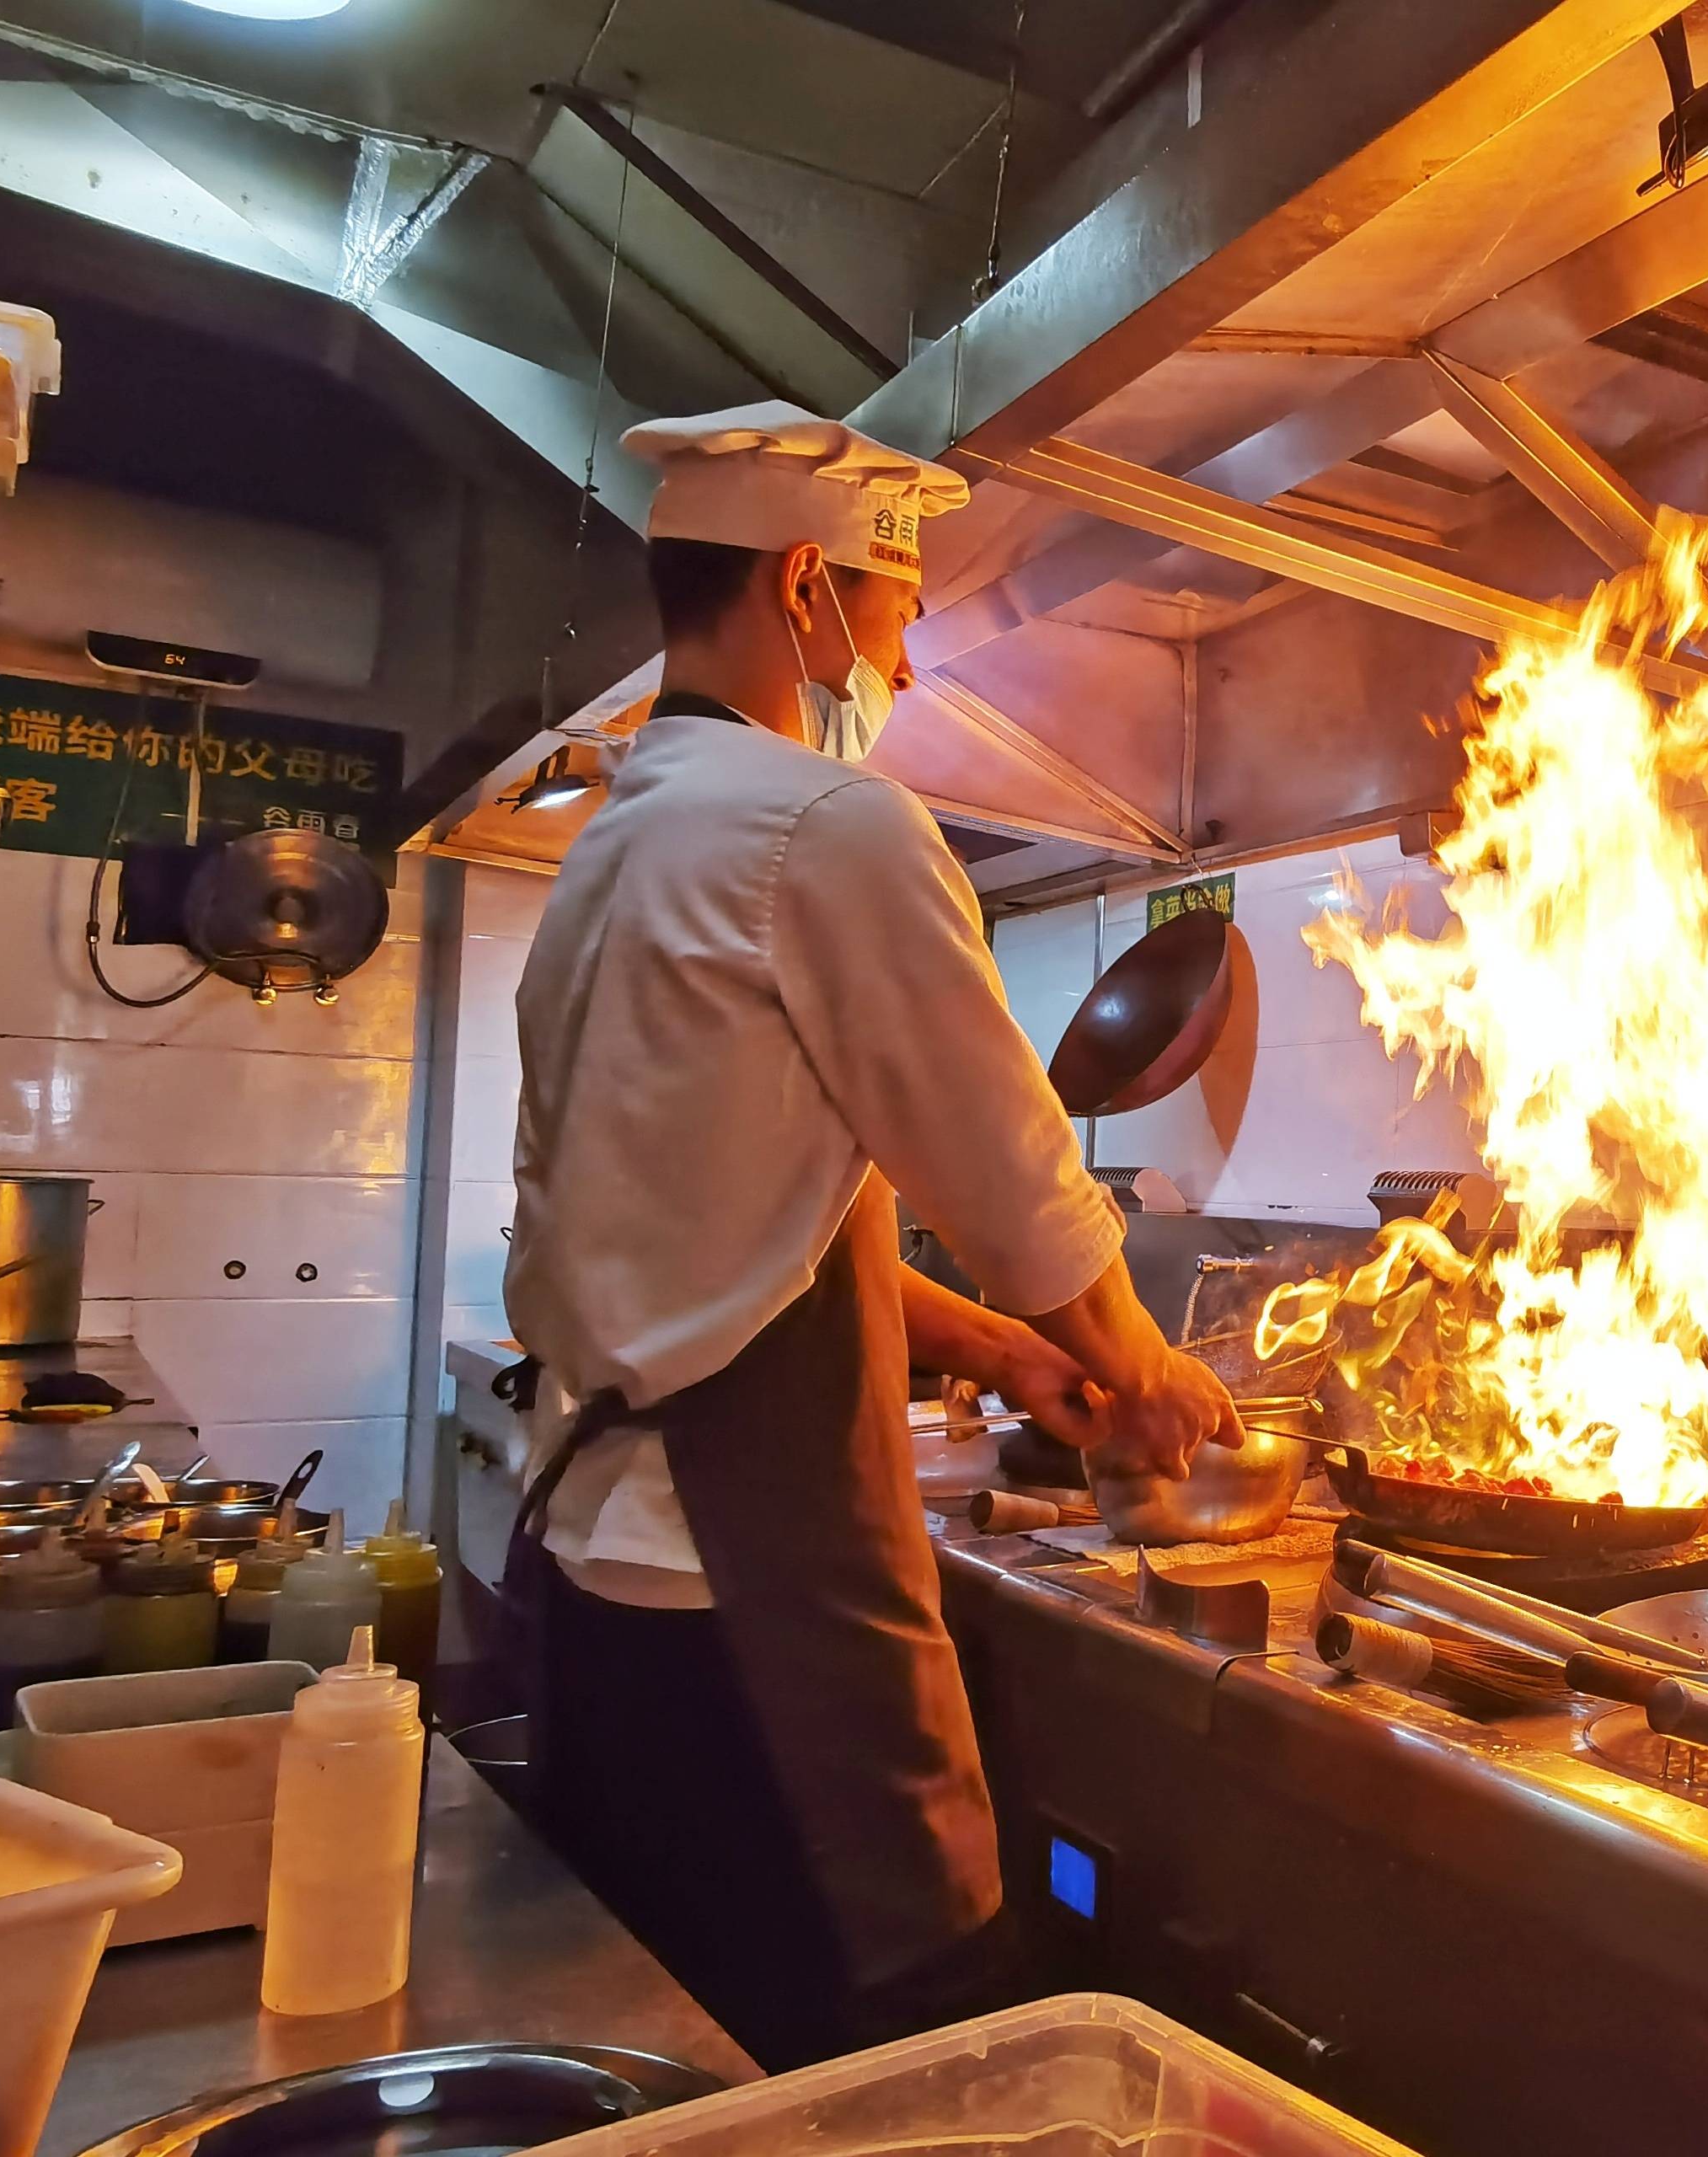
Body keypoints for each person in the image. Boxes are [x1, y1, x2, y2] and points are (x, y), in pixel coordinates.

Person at [501, 400, 1240, 2070]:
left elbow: (753, 1225)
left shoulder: (616, 841)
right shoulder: (823, 826)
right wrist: (1140, 1372)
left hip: (600, 1571)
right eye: (895, 627)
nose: (895, 677)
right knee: (853, 2051)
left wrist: (1002, 1345)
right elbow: (1010, 1167)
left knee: (665, 2050)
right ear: (809, 589)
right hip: (745, 1599)